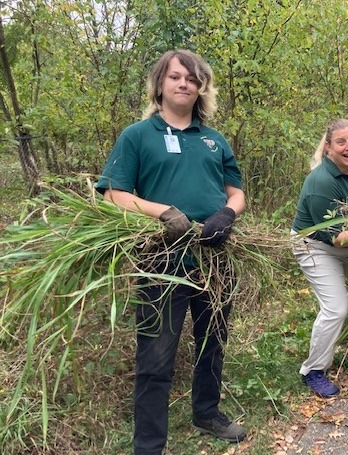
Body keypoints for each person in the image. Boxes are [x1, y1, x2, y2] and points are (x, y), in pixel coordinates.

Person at [95, 49, 247, 454]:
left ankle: (207, 412)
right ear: (160, 84)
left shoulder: (214, 141)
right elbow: (113, 193)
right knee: (156, 355)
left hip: (214, 260)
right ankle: (148, 444)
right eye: (176, 77)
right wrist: (163, 212)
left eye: (193, 79)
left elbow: (237, 192)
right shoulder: (137, 135)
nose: (184, 84)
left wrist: (227, 215)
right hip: (162, 263)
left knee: (212, 342)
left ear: (202, 89)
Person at [291, 119, 348, 398]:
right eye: (341, 142)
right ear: (329, 148)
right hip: (317, 246)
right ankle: (313, 370)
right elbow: (337, 238)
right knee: (336, 309)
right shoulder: (321, 182)